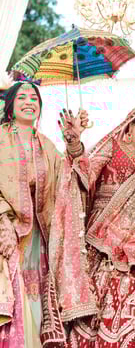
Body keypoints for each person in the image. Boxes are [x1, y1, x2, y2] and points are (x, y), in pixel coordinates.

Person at [48, 105, 135, 347]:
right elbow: (82, 173)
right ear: (130, 125)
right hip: (103, 256)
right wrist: (74, 145)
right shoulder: (112, 149)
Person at [0, 81, 76, 347]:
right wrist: (3, 220)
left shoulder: (46, 145)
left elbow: (70, 181)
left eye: (34, 98)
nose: (29, 101)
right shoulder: (0, 139)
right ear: (10, 107)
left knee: (34, 293)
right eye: (22, 97)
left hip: (38, 235)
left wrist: (74, 143)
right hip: (7, 230)